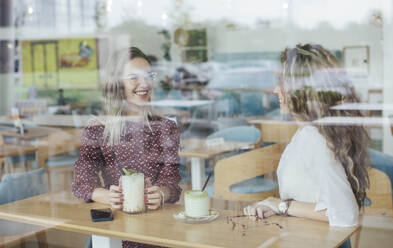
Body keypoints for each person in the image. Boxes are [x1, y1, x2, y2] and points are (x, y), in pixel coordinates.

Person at [244, 44, 370, 229]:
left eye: (283, 83)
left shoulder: (314, 137)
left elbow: (345, 213)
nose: (276, 90)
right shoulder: (310, 133)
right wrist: (279, 207)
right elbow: (317, 199)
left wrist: (282, 205)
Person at [72, 47, 181, 248]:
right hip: (118, 230)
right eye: (134, 77)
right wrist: (105, 195)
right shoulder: (99, 127)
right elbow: (82, 178)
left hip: (159, 231)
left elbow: (171, 180)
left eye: (149, 76)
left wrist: (163, 193)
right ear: (117, 84)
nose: (145, 84)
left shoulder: (166, 127)